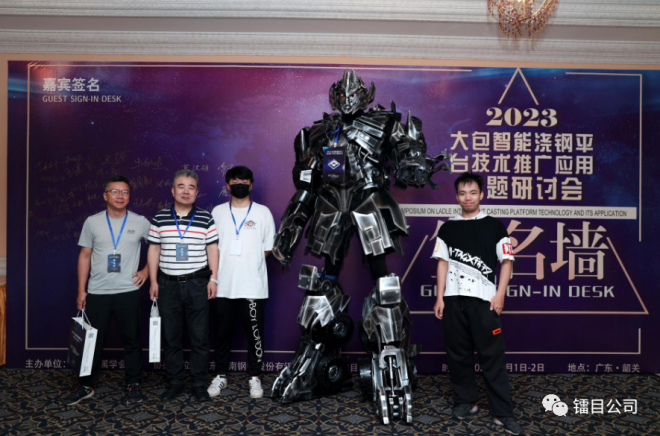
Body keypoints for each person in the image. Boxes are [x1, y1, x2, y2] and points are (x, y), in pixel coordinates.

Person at [432, 172, 523, 436]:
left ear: (481, 194)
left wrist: (500, 293)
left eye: (473, 192)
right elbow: (442, 263)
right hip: (453, 300)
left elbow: (507, 262)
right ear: (456, 196)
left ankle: (502, 412)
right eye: (462, 193)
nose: (468, 197)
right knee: (457, 354)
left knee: (492, 357)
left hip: (485, 301)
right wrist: (440, 297)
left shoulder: (495, 226)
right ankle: (466, 401)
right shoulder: (447, 228)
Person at [64, 175, 150, 406]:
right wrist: (81, 290)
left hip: (128, 291)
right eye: (115, 191)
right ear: (105, 195)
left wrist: (146, 271)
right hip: (98, 292)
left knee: (132, 340)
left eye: (125, 192)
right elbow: (84, 256)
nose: (120, 196)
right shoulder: (92, 222)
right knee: (92, 341)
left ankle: (133, 383)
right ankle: (86, 385)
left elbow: (157, 246)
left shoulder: (141, 222)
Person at [147, 169, 219, 402]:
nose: (185, 191)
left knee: (200, 338)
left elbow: (212, 249)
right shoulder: (160, 218)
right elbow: (154, 249)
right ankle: (175, 382)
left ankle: (199, 384)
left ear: (197, 192)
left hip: (197, 284)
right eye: (181, 186)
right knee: (171, 338)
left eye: (191, 187)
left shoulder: (206, 218)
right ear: (172, 190)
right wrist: (153, 281)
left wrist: (213, 279)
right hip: (167, 285)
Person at [207, 166, 276, 399]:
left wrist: (248, 262)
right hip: (222, 284)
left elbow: (268, 248)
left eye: (244, 181)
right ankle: (220, 375)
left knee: (255, 335)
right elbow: (211, 247)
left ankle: (255, 377)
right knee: (221, 334)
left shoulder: (263, 212)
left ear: (251, 185)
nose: (240, 184)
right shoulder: (217, 212)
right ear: (228, 185)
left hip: (252, 286)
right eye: (235, 181)